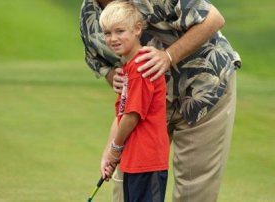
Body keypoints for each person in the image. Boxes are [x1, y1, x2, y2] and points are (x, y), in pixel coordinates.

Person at [80, 0, 241, 201]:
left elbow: (213, 19)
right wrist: (115, 76)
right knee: (129, 184)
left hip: (203, 88)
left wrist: (168, 56)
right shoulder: (89, 13)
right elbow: (99, 61)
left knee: (194, 191)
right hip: (148, 101)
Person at [99, 1, 170, 201]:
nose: (113, 39)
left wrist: (115, 149)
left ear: (137, 29)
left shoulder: (140, 67)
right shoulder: (128, 68)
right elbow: (121, 115)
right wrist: (110, 154)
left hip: (147, 160)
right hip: (134, 160)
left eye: (120, 31)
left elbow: (131, 116)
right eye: (107, 33)